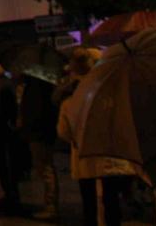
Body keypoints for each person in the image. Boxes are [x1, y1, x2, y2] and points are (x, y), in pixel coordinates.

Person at [56, 48, 138, 226]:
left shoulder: (71, 99)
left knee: (89, 202)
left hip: (84, 158)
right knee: (111, 201)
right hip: (110, 157)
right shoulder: (114, 93)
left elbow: (64, 132)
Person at [17, 74, 59, 220]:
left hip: (39, 132)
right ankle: (50, 205)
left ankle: (51, 207)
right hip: (42, 131)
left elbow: (34, 111)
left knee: (45, 168)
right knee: (45, 168)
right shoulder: (44, 85)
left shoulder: (36, 87)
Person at [0, 63, 23, 215]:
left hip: (3, 132)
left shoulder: (3, 89)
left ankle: (11, 196)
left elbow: (5, 112)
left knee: (5, 166)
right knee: (4, 165)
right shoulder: (3, 87)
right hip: (2, 131)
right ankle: (10, 195)